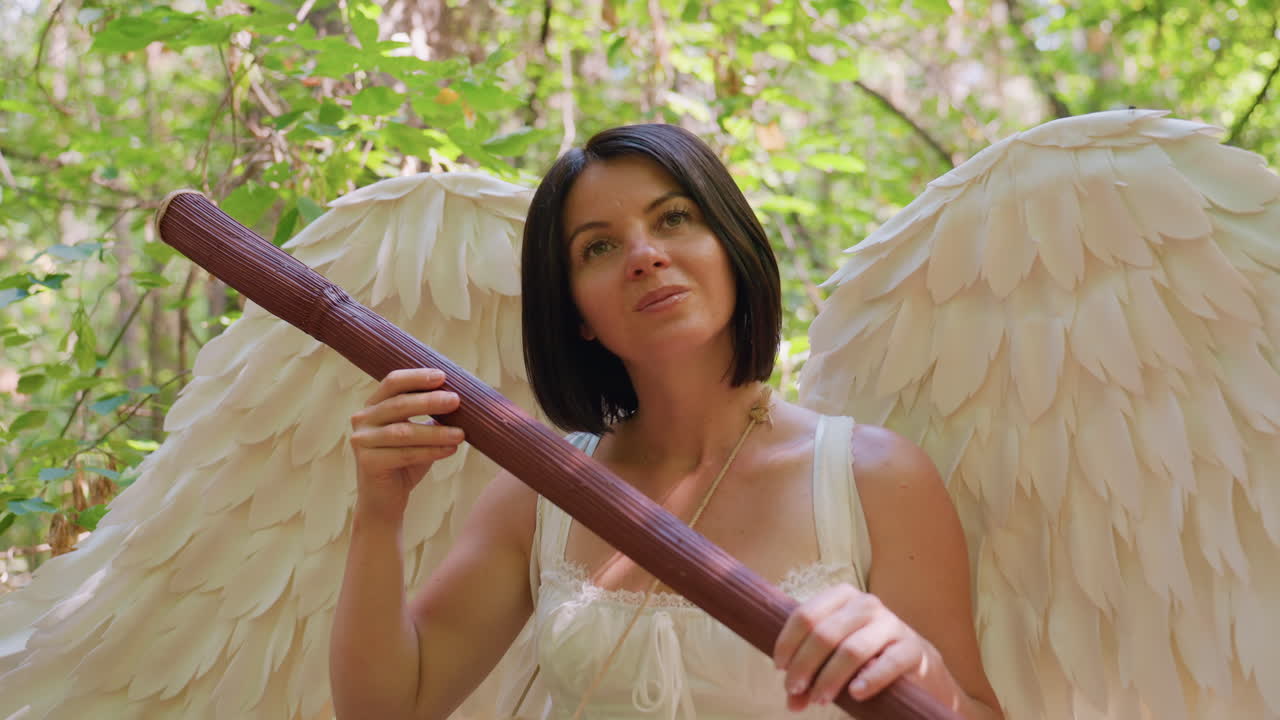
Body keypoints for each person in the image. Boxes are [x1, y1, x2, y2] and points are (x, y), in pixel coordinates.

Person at [329, 124, 1003, 719]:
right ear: (577, 316)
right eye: (598, 247)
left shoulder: (872, 478)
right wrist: (377, 513)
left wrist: (922, 674)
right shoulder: (543, 492)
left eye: (674, 218)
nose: (644, 256)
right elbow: (389, 709)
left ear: (731, 245)